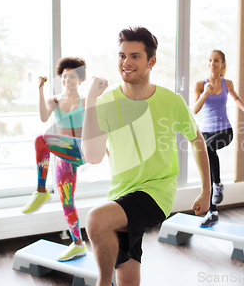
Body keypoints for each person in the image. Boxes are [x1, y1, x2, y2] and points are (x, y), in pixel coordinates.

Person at [81, 26, 211, 286]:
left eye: (135, 56)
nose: (126, 62)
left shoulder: (172, 101)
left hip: (156, 193)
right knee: (127, 272)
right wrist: (90, 103)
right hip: (121, 194)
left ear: (151, 61)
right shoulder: (106, 103)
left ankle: (102, 283)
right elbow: (93, 157)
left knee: (96, 220)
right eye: (121, 56)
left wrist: (206, 191)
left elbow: (197, 141)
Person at [21, 57, 88, 261]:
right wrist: (40, 90)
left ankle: (41, 191)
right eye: (65, 76)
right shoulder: (54, 100)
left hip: (79, 150)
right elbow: (43, 117)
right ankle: (78, 243)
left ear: (80, 79)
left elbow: (98, 127)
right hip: (62, 154)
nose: (68, 79)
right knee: (67, 201)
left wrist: (106, 150)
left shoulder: (86, 101)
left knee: (41, 140)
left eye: (73, 76)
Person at [192, 50, 244, 227]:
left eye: (216, 60)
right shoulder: (200, 84)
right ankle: (213, 211)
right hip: (206, 132)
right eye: (210, 60)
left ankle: (218, 184)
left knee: (207, 150)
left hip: (225, 131)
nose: (212, 63)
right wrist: (205, 93)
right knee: (207, 157)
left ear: (222, 64)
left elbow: (237, 99)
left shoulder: (227, 83)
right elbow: (194, 110)